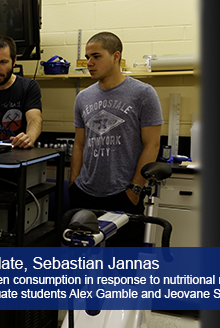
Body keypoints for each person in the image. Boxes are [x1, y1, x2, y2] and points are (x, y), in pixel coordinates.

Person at [69, 32, 163, 247]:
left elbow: (152, 144)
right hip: (85, 192)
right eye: (87, 57)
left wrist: (135, 189)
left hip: (123, 193)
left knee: (121, 270)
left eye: (96, 56)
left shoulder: (143, 93)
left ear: (115, 56)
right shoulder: (83, 97)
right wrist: (73, 183)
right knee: (83, 266)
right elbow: (79, 144)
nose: (89, 63)